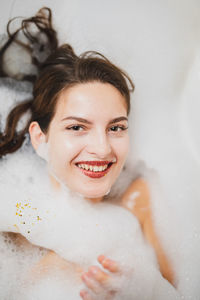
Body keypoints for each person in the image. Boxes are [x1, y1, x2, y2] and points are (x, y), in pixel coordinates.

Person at [0, 7, 176, 300]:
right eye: (77, 127)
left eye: (116, 128)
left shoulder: (141, 199)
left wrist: (150, 290)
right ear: (40, 139)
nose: (103, 148)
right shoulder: (21, 211)